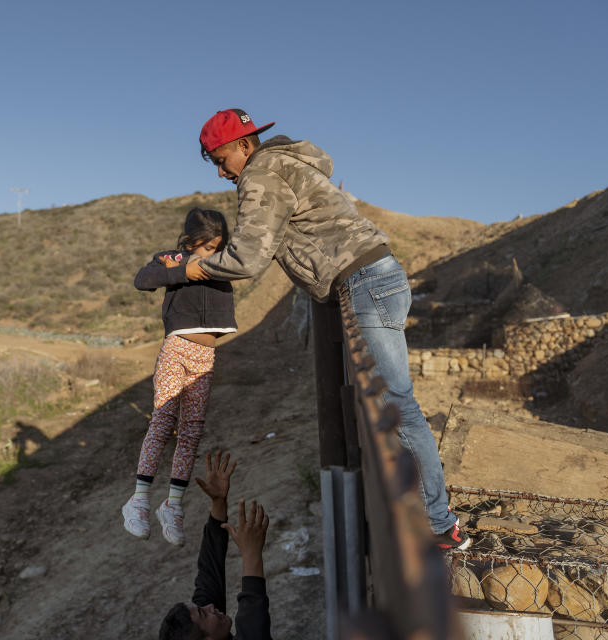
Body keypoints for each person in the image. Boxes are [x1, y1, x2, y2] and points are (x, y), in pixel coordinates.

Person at [186, 108, 469, 550]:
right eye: (214, 164)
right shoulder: (286, 165)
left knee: (398, 406)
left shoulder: (261, 174)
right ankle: (422, 513)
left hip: (365, 283)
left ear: (244, 146)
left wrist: (195, 267)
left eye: (221, 159)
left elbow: (249, 257)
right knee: (386, 404)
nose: (222, 173)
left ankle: (439, 524)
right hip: (374, 277)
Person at [122, 208, 237, 546]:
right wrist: (183, 270)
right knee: (163, 420)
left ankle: (172, 505)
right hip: (176, 349)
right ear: (190, 242)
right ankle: (138, 499)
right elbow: (143, 279)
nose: (212, 255)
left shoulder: (227, 262)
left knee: (191, 431)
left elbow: (249, 258)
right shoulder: (173, 259)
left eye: (218, 247)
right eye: (207, 248)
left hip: (206, 356)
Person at [158, 451, 272, 640]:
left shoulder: (206, 625)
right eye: (204, 613)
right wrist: (251, 553)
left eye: (201, 608)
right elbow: (253, 616)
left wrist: (218, 503)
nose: (210, 606)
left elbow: (210, 568)